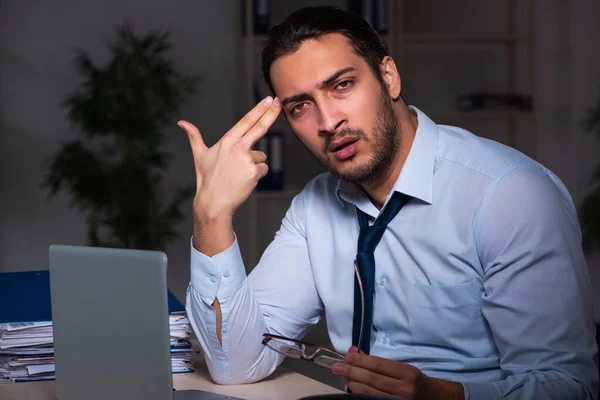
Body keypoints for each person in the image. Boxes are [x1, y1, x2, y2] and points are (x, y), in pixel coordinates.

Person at [178, 5, 598, 399]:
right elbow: (236, 363)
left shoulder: (509, 193)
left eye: (342, 85)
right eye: (301, 107)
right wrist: (211, 213)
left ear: (389, 77)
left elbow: (569, 386)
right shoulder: (315, 207)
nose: (327, 123)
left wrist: (444, 395)